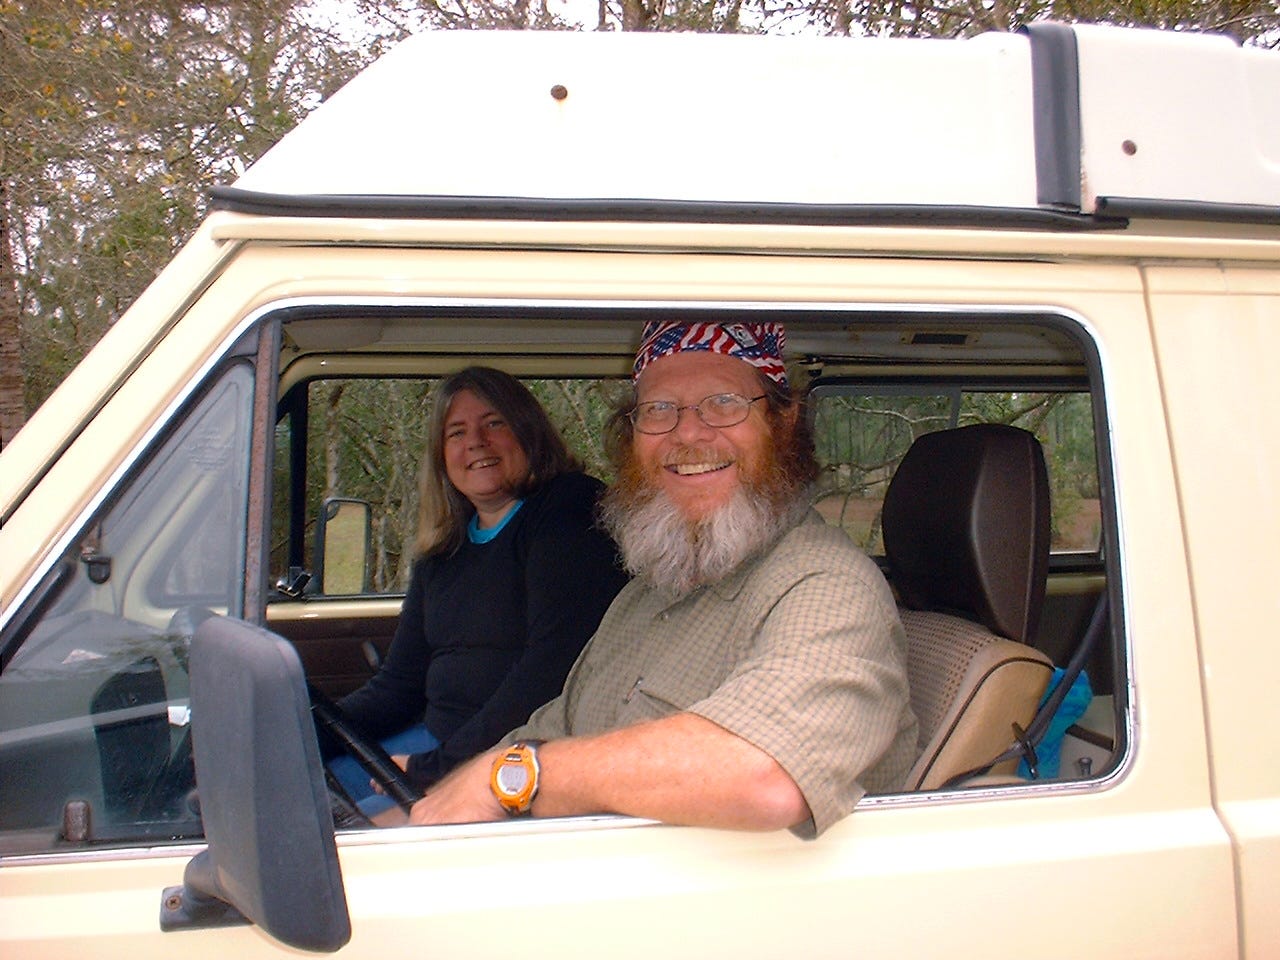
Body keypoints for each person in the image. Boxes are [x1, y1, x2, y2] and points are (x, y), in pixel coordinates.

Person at [406, 322, 918, 839]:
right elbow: (558, 725)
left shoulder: (825, 585)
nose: (688, 433)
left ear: (783, 424)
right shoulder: (651, 587)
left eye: (724, 403)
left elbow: (765, 775)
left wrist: (512, 781)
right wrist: (445, 795)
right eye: (659, 410)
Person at [325, 366, 628, 811]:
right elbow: (398, 685)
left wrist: (438, 767)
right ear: (441, 455)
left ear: (528, 433)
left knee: (339, 836)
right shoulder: (444, 547)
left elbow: (549, 674)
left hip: (516, 757)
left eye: (494, 423)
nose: (476, 443)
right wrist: (307, 729)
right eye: (456, 432)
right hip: (438, 739)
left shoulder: (568, 509)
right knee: (297, 787)